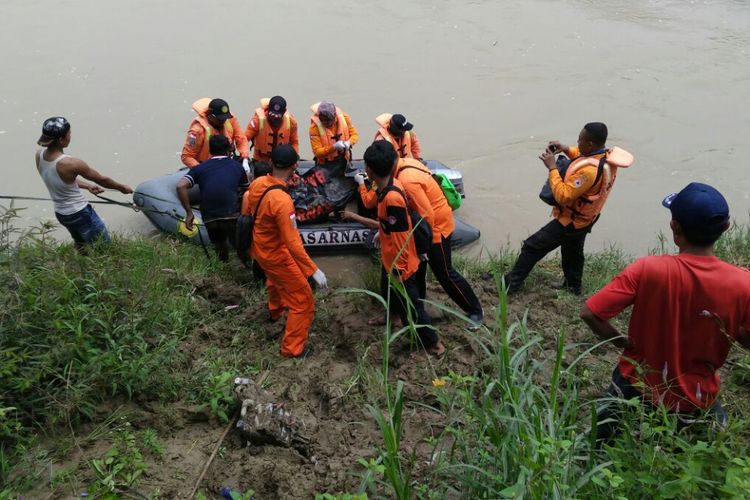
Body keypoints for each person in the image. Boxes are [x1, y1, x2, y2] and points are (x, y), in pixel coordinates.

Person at [581, 183, 750, 442]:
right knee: (705, 446)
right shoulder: (743, 283)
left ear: (675, 228)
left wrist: (620, 342)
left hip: (636, 383)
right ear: (726, 229)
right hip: (697, 395)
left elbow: (591, 313)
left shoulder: (648, 269)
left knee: (601, 440)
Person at [355, 140, 483, 328]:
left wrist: (423, 248)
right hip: (417, 226)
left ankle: (475, 310)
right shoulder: (394, 172)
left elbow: (427, 216)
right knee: (414, 273)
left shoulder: (407, 180)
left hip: (434, 228)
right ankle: (411, 312)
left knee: (445, 273)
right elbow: (375, 200)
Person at [504, 123, 634, 295]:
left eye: (580, 139)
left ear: (590, 144)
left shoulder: (588, 172)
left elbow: (563, 196)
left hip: (571, 221)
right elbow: (583, 155)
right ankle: (573, 287)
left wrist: (552, 168)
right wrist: (565, 149)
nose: (577, 142)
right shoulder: (604, 156)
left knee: (532, 246)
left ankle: (509, 286)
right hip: (587, 218)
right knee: (573, 251)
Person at [240, 145, 327, 358]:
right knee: (303, 301)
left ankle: (275, 312)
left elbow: (250, 209)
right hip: (275, 254)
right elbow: (292, 241)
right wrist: (312, 270)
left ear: (271, 163)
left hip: (259, 249)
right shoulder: (282, 200)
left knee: (275, 281)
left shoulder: (259, 183)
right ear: (295, 166)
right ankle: (292, 349)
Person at [362, 142, 445, 357]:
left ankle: (434, 343)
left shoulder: (392, 198)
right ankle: (392, 316)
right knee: (387, 291)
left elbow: (400, 237)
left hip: (401, 264)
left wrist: (398, 270)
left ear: (369, 169)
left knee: (414, 308)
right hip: (390, 258)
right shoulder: (391, 184)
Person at [35, 116, 133, 251]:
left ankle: (85, 268)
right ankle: (106, 269)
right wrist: (122, 188)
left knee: (81, 244)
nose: (71, 136)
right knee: (105, 248)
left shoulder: (39, 155)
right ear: (61, 139)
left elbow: (60, 180)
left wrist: (87, 186)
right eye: (69, 134)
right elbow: (102, 180)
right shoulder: (71, 163)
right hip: (80, 213)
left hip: (62, 214)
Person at [176, 135, 249, 262]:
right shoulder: (236, 166)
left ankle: (223, 267)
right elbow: (246, 190)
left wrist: (189, 213)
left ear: (210, 151)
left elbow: (180, 186)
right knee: (239, 245)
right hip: (231, 215)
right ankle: (245, 265)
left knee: (220, 245)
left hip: (210, 218)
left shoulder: (199, 168)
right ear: (228, 150)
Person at [181, 97, 250, 171]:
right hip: (206, 166)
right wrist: (202, 170)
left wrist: (245, 158)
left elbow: (241, 139)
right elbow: (186, 156)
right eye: (220, 119)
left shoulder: (230, 119)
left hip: (227, 161)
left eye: (224, 118)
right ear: (210, 115)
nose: (223, 121)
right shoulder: (197, 131)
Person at [244, 96, 299, 166]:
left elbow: (294, 143)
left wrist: (294, 158)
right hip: (261, 161)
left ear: (284, 112)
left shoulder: (291, 122)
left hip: (281, 160)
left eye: (278, 116)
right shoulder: (257, 121)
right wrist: (244, 156)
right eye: (272, 115)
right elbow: (244, 139)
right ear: (268, 109)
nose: (274, 118)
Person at [309, 101, 358, 166]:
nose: (325, 122)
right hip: (325, 163)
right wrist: (334, 147)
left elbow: (355, 135)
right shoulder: (314, 128)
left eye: (328, 120)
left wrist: (349, 142)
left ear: (334, 116)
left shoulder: (344, 118)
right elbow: (317, 152)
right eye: (322, 120)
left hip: (345, 159)